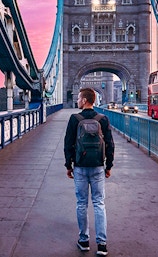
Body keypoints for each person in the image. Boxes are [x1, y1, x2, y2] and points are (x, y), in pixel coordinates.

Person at [64, 88, 115, 255]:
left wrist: (68, 165)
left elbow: (68, 144)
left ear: (85, 100)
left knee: (81, 204)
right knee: (99, 204)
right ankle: (102, 244)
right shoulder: (103, 119)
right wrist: (108, 166)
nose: (77, 100)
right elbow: (110, 144)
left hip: (79, 167)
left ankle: (84, 240)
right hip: (98, 167)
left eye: (79, 98)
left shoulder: (74, 119)